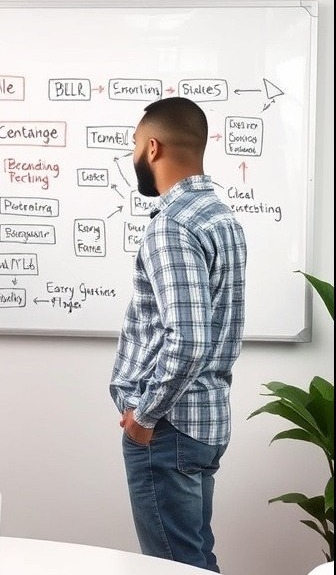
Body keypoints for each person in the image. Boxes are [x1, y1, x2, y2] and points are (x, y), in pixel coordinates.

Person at [110, 97, 247, 572]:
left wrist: (144, 418)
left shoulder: (172, 225)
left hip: (169, 428)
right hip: (203, 422)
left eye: (132, 144)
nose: (132, 156)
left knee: (174, 566)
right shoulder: (221, 217)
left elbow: (187, 340)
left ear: (152, 147)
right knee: (193, 558)